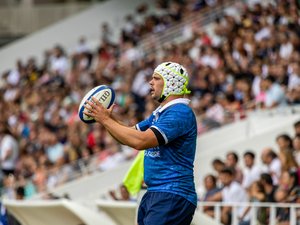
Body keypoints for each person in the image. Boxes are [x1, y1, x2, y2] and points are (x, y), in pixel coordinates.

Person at [84, 62, 197, 225]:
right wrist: (108, 118)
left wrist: (105, 119)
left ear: (171, 83)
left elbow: (140, 141)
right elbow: (130, 134)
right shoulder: (161, 113)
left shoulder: (180, 112)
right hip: (155, 192)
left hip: (172, 192)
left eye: (156, 78)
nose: (150, 82)